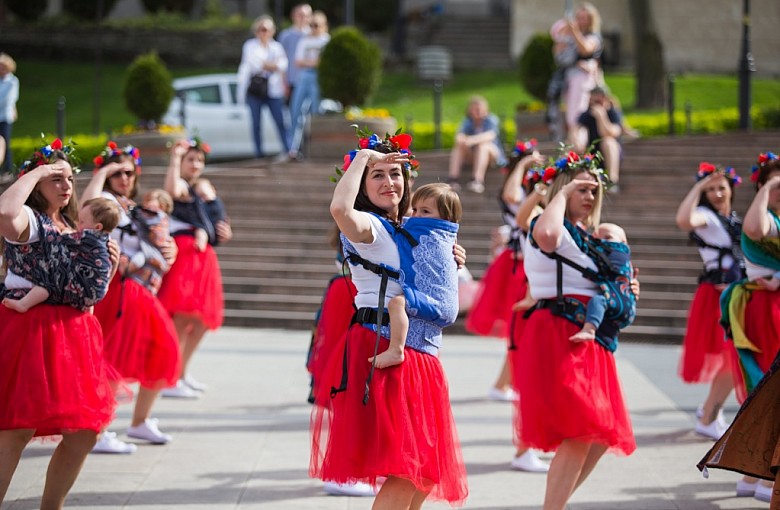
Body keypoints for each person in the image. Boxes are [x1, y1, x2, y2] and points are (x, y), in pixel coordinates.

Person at [310, 131, 469, 507]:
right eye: (377, 175)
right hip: (384, 345)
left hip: (421, 352)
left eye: (394, 174)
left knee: (425, 471)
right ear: (362, 183)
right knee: (408, 470)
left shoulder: (414, 229)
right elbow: (339, 211)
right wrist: (364, 157)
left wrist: (453, 260)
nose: (389, 182)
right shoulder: (369, 227)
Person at [513, 150, 636, 510]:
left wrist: (623, 289)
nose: (589, 196)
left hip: (590, 333)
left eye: (593, 191)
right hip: (561, 330)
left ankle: (556, 504)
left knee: (599, 435)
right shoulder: (546, 222)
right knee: (583, 430)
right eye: (582, 188)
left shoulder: (587, 234)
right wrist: (560, 194)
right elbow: (548, 237)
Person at [0, 138, 119, 508]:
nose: (66, 185)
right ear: (36, 183)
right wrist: (38, 169)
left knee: (85, 432)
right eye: (56, 178)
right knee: (18, 428)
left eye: (69, 178)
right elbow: (4, 212)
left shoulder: (73, 223)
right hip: (32, 330)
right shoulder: (29, 221)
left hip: (74, 335)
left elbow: (86, 286)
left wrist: (109, 270)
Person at [81, 141, 182, 453]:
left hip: (138, 290)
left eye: (129, 172)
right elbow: (86, 205)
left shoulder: (130, 205)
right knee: (113, 359)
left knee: (162, 351)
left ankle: (139, 422)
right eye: (117, 173)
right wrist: (104, 171)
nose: (124, 177)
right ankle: (97, 431)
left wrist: (171, 249)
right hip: (118, 289)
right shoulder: (106, 200)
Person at [698, 152, 780, 504]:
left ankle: (751, 475)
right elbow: (754, 230)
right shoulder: (762, 216)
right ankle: (762, 475)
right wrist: (769, 186)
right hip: (765, 311)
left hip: (774, 306)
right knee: (768, 391)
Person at [465, 140, 545, 401]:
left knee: (526, 330)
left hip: (531, 264)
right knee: (520, 328)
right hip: (518, 266)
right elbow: (510, 197)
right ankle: (503, 385)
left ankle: (506, 384)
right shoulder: (517, 192)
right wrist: (523, 163)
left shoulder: (536, 190)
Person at [675, 162, 744, 441]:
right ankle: (708, 415)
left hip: (739, 292)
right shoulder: (705, 215)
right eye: (711, 189)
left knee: (735, 358)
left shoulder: (734, 219)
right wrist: (698, 186)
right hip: (717, 296)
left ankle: (709, 412)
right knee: (733, 357)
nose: (717, 193)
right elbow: (683, 220)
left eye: (721, 187)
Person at [159, 138, 232, 398]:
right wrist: (175, 158)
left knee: (200, 321)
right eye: (191, 159)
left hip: (203, 257)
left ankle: (181, 373)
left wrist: (224, 231)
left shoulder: (201, 189)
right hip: (186, 255)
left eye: (199, 160)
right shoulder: (181, 186)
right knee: (182, 317)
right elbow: (170, 189)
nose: (195, 164)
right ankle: (170, 378)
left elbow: (216, 222)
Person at [370, 182, 462, 369]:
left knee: (397, 303)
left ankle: (396, 349)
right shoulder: (445, 234)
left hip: (437, 301)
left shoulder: (427, 233)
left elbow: (396, 232)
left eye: (425, 211)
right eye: (415, 209)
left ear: (445, 217)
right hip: (444, 303)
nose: (416, 216)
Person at [1, 197, 120, 314]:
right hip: (98, 290)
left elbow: (61, 239)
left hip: (85, 286)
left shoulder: (90, 237)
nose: (78, 225)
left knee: (47, 286)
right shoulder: (107, 242)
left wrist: (66, 232)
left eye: (82, 222)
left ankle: (23, 304)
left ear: (98, 227)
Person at [567, 222, 636, 347]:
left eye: (608, 237)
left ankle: (589, 329)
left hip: (614, 302)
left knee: (598, 301)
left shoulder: (617, 252)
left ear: (624, 242)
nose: (601, 241)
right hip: (628, 308)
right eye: (597, 238)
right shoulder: (627, 260)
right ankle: (608, 341)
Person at [237, 15, 291, 161]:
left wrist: (270, 65)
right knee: (256, 123)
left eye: (267, 29)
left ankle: (288, 150)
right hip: (256, 90)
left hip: (273, 91)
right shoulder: (250, 45)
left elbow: (283, 65)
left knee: (280, 121)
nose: (264, 33)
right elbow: (255, 63)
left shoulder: (276, 46)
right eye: (261, 29)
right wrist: (273, 65)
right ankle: (258, 154)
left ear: (272, 31)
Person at [558, 3, 603, 150]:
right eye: (578, 17)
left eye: (584, 18)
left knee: (577, 116)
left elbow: (585, 49)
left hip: (583, 79)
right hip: (569, 79)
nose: (581, 21)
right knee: (571, 115)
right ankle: (574, 147)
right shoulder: (571, 35)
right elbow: (558, 48)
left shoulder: (593, 37)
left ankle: (578, 149)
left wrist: (574, 32)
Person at [287, 10, 330, 160]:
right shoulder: (304, 40)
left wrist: (311, 63)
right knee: (296, 111)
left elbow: (324, 63)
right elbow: (298, 61)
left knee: (316, 111)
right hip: (304, 76)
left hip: (318, 77)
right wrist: (313, 63)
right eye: (311, 25)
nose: (313, 28)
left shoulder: (326, 40)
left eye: (316, 25)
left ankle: (315, 148)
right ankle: (293, 149)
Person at [447, 95, 507, 194]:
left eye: (480, 108)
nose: (478, 111)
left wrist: (472, 140)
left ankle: (477, 180)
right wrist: (464, 141)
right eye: (475, 109)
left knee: (482, 146)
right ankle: (453, 179)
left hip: (492, 155)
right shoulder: (467, 122)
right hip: (473, 155)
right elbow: (458, 137)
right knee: (459, 147)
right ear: (470, 110)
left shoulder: (491, 119)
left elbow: (491, 135)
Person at [577, 86, 622, 187]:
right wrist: (577, 141)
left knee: (608, 142)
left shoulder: (613, 113)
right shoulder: (587, 114)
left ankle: (611, 181)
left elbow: (612, 133)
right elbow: (575, 129)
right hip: (592, 152)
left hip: (611, 153)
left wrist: (601, 116)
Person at [278, 3, 312, 104]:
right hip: (292, 81)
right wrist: (283, 82)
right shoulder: (285, 36)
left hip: (310, 81)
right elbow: (281, 59)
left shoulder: (313, 35)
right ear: (293, 16)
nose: (303, 18)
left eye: (306, 15)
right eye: (300, 15)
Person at [0, 53, 19, 173]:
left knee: (5, 142)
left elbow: (9, 99)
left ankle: (7, 169)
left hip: (5, 116)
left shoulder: (12, 81)